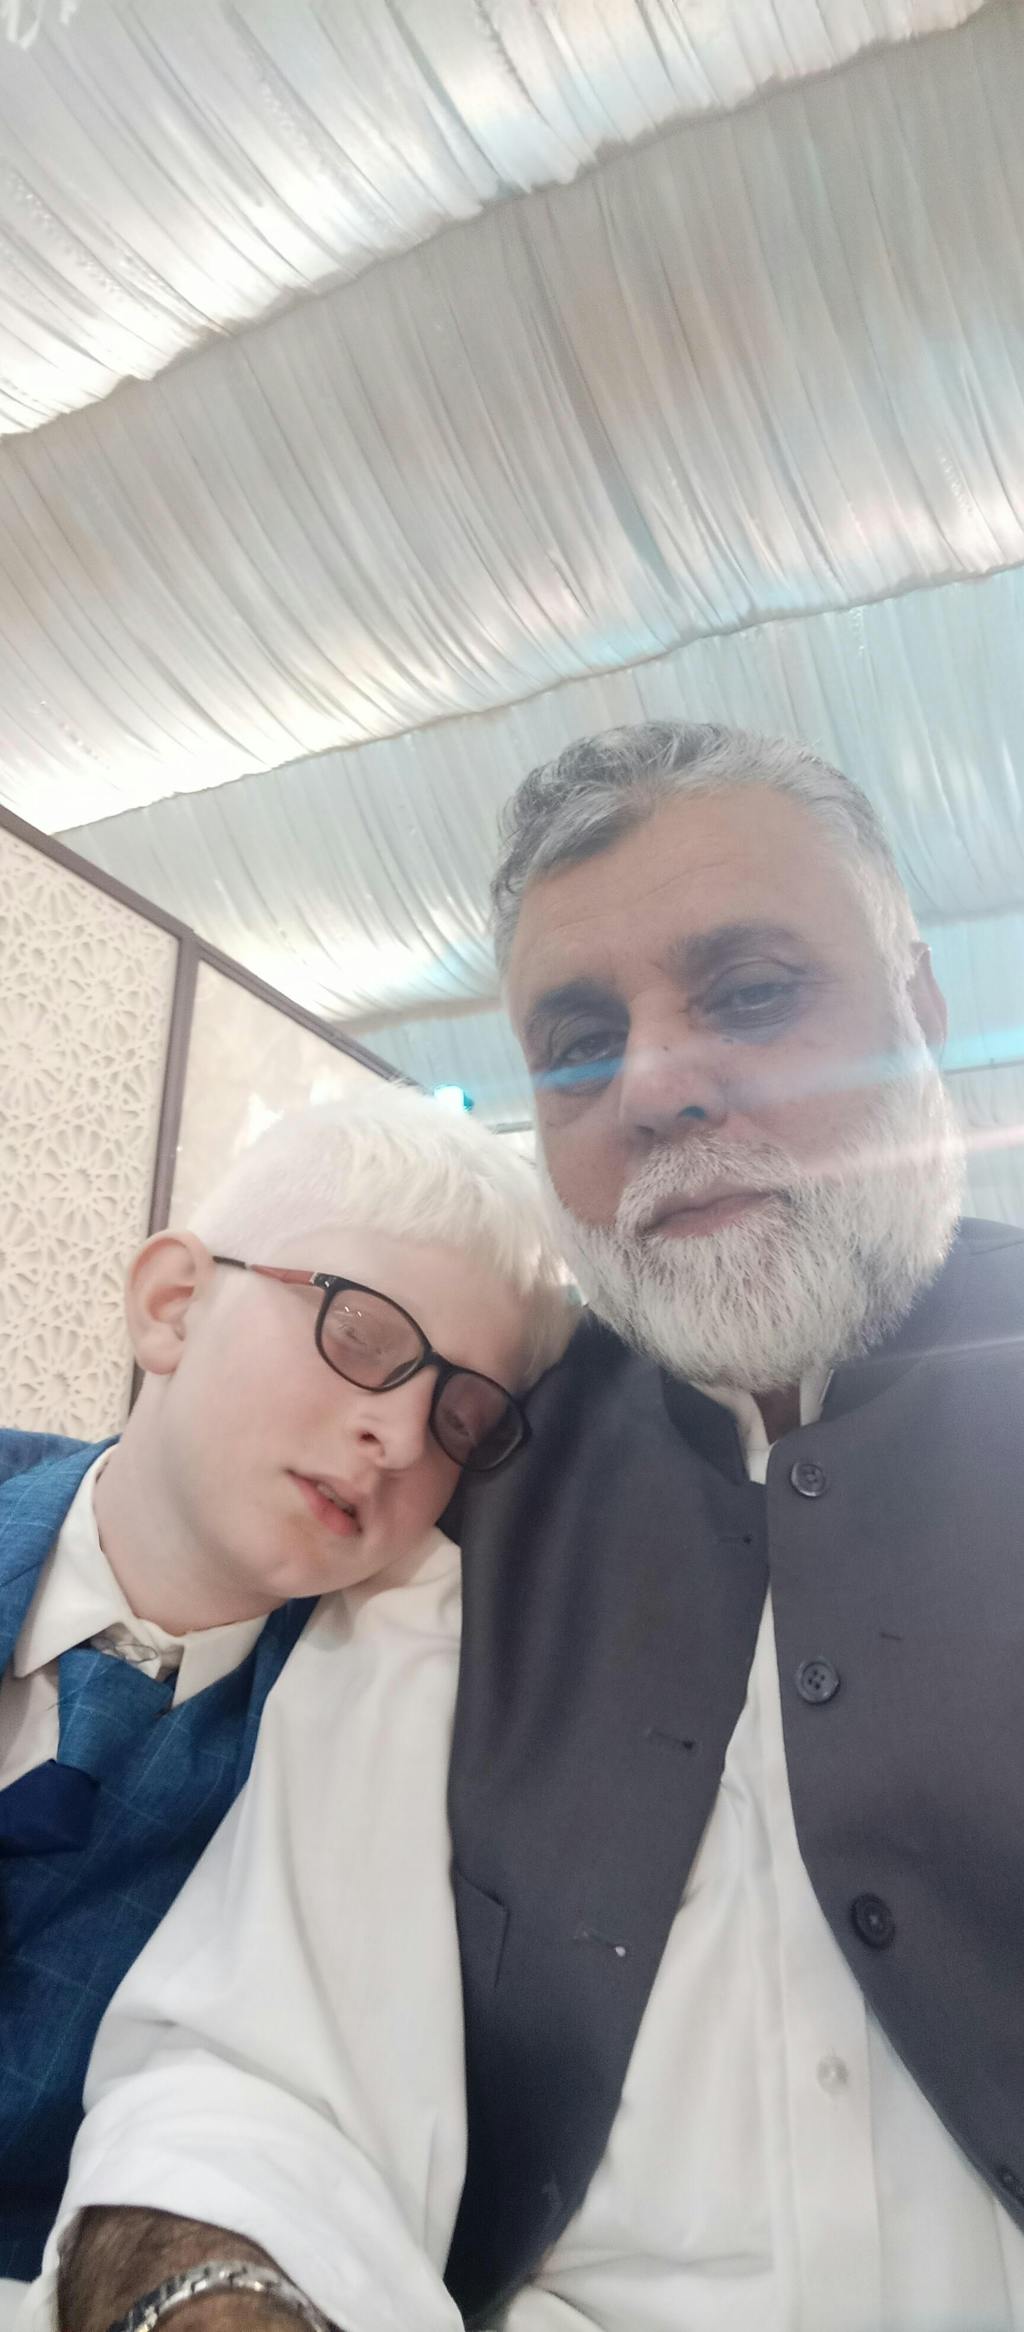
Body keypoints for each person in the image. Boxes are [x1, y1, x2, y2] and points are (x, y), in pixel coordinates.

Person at [41, 721, 1024, 2332]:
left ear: (918, 1008)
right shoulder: (482, 1490)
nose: (655, 1086)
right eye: (578, 1043)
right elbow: (255, 2081)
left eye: (750, 993)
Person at [0, 1083, 567, 2319]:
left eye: (461, 1416)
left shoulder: (359, 1750)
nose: (400, 1437)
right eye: (361, 1333)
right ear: (173, 1304)